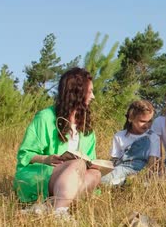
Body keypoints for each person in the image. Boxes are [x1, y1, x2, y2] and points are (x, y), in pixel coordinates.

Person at [13, 67, 101, 217]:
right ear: (77, 93)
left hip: (75, 177)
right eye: (90, 91)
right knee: (77, 164)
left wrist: (93, 164)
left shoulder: (86, 126)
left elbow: (90, 158)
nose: (93, 96)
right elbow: (25, 154)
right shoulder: (45, 117)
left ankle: (47, 207)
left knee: (95, 174)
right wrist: (46, 159)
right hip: (44, 174)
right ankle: (59, 213)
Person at [100, 100, 161, 186]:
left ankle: (125, 183)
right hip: (122, 168)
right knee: (101, 179)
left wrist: (142, 175)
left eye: (150, 121)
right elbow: (114, 160)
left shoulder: (153, 137)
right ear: (131, 118)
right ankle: (121, 183)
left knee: (152, 182)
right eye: (142, 121)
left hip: (142, 171)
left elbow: (152, 162)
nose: (146, 125)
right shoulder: (119, 136)